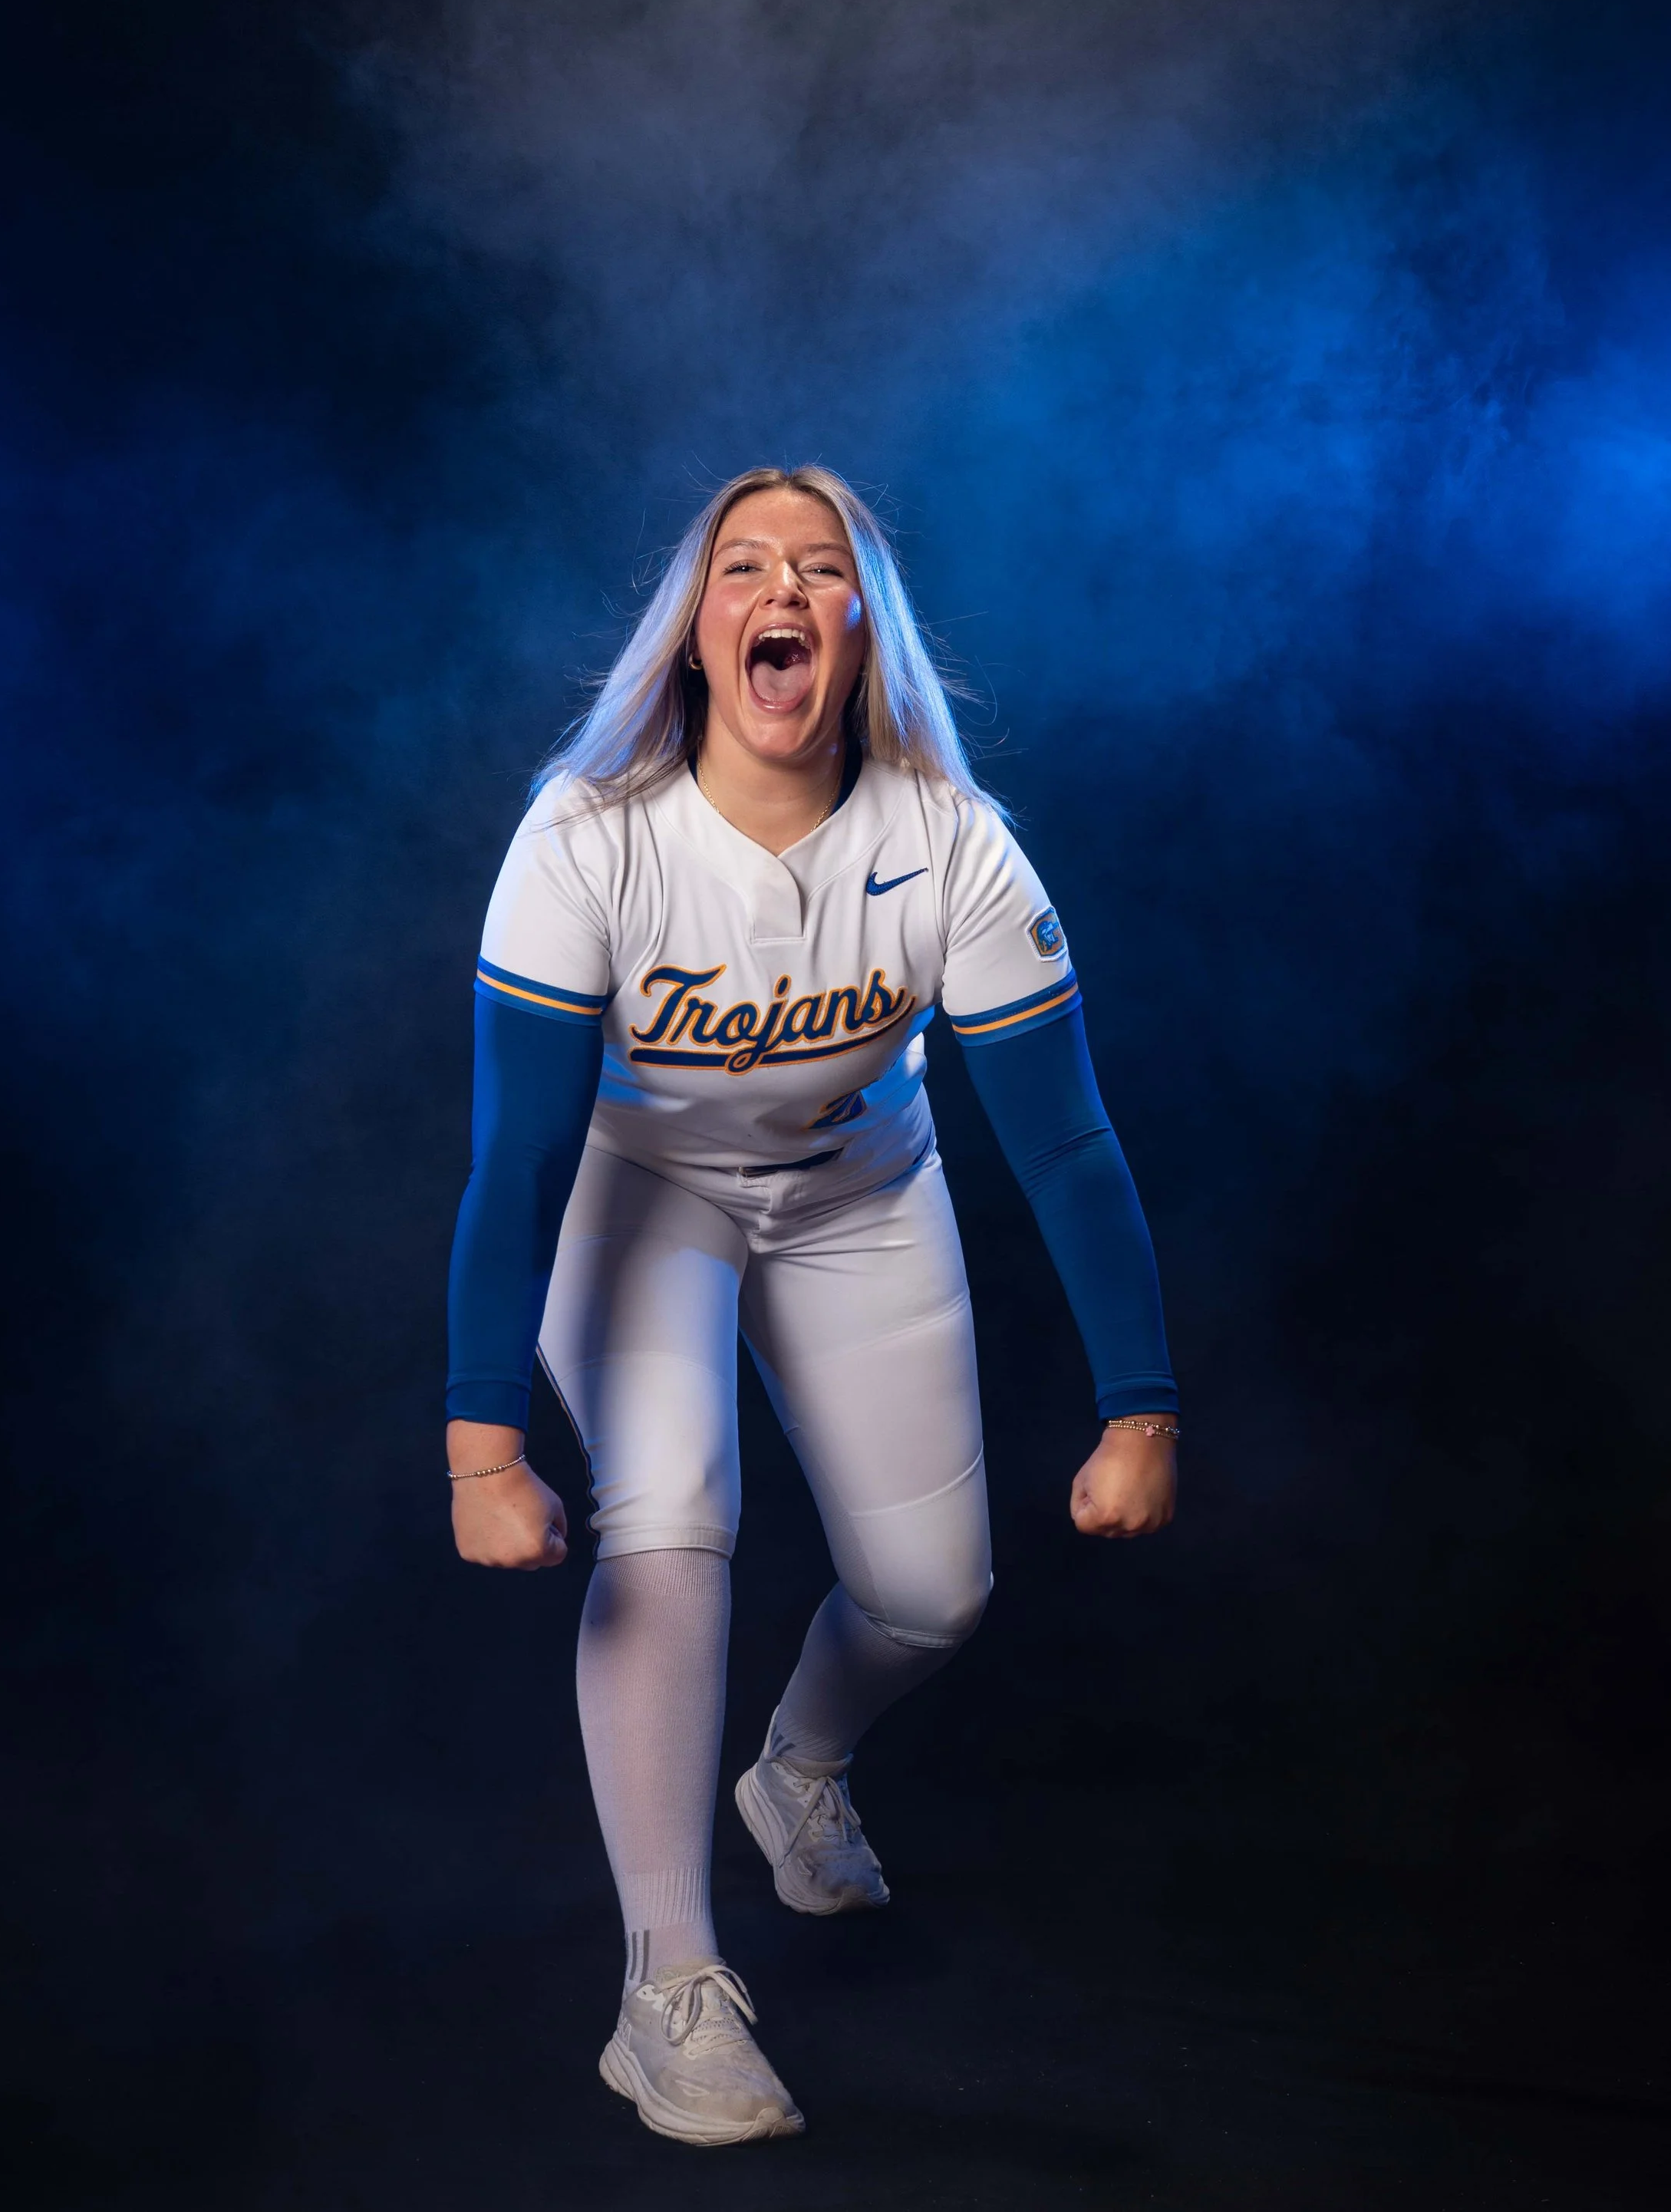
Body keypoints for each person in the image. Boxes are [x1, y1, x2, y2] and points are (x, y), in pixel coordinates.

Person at [444, 465, 1178, 2148]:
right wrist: (480, 1440)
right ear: (701, 633)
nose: (782, 585)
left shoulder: (946, 840)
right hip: (643, 1192)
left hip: (861, 1190)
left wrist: (1142, 1405)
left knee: (932, 1595)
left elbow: (1061, 1138)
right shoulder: (586, 833)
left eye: (822, 567)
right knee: (670, 1511)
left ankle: (796, 1766)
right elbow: (520, 1157)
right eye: (744, 565)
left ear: (856, 631)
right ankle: (669, 1982)